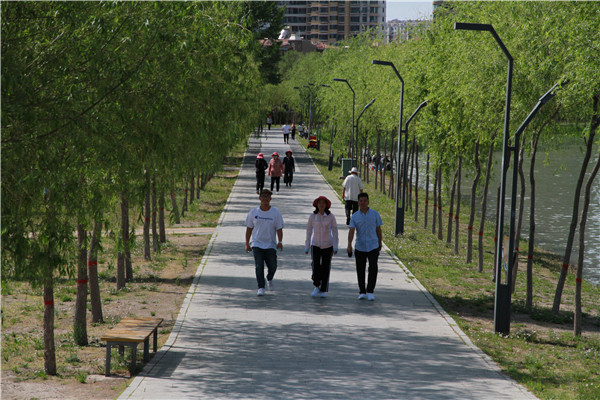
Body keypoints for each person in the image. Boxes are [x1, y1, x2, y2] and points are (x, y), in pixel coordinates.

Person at [245, 189, 284, 296]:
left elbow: (279, 228)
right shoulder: (253, 212)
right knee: (259, 266)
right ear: (260, 198)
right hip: (257, 244)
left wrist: (280, 241)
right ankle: (261, 287)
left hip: (270, 244)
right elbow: (249, 229)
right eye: (263, 196)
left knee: (273, 266)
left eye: (268, 196)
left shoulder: (276, 213)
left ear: (270, 199)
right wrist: (247, 243)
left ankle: (269, 278)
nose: (265, 199)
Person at [347, 193, 382, 301]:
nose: (363, 203)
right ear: (358, 202)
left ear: (368, 202)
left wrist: (380, 242)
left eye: (365, 200)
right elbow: (351, 231)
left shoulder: (375, 214)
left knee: (373, 268)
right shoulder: (355, 216)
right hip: (360, 246)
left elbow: (378, 229)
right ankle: (362, 291)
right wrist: (349, 244)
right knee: (360, 269)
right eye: (361, 201)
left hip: (373, 245)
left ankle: (370, 291)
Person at [305, 196, 338, 298]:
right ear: (316, 205)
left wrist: (335, 246)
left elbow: (335, 231)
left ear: (326, 205)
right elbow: (309, 231)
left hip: (328, 245)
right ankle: (316, 286)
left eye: (323, 203)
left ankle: (323, 289)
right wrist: (307, 246)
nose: (321, 205)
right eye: (319, 203)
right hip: (315, 244)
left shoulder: (331, 216)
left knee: (325, 267)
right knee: (315, 266)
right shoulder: (312, 216)